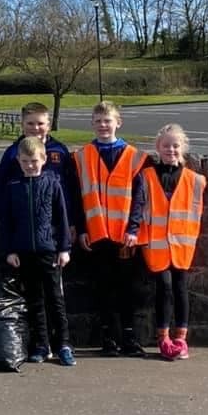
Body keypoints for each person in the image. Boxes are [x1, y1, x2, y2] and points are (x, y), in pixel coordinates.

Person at [73, 100, 147, 357]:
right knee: (102, 287)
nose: (103, 126)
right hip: (96, 234)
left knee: (128, 288)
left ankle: (129, 337)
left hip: (125, 235)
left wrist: (134, 229)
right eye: (98, 121)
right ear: (92, 124)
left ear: (118, 122)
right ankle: (109, 338)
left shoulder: (134, 156)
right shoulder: (82, 156)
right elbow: (77, 197)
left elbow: (140, 197)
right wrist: (81, 229)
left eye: (107, 121)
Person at [2, 136, 75, 367]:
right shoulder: (13, 187)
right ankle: (41, 345)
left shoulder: (52, 183)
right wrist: (10, 250)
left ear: (43, 159)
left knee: (55, 299)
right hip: (24, 251)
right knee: (34, 300)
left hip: (49, 251)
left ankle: (63, 344)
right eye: (25, 161)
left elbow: (62, 219)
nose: (30, 165)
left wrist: (64, 248)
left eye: (33, 161)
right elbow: (7, 222)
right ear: (19, 161)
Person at [142, 124, 206, 361]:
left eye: (176, 145)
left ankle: (181, 338)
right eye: (166, 145)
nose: (171, 149)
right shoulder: (147, 176)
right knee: (165, 288)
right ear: (158, 147)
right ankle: (163, 338)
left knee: (180, 289)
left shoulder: (195, 180)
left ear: (183, 148)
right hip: (156, 244)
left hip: (182, 244)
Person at [0, 102, 79, 231]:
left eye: (40, 123)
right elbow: (2, 190)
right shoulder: (13, 153)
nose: (35, 128)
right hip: (25, 224)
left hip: (58, 221)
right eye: (30, 123)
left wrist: (71, 222)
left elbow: (71, 187)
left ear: (48, 125)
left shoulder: (60, 150)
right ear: (22, 125)